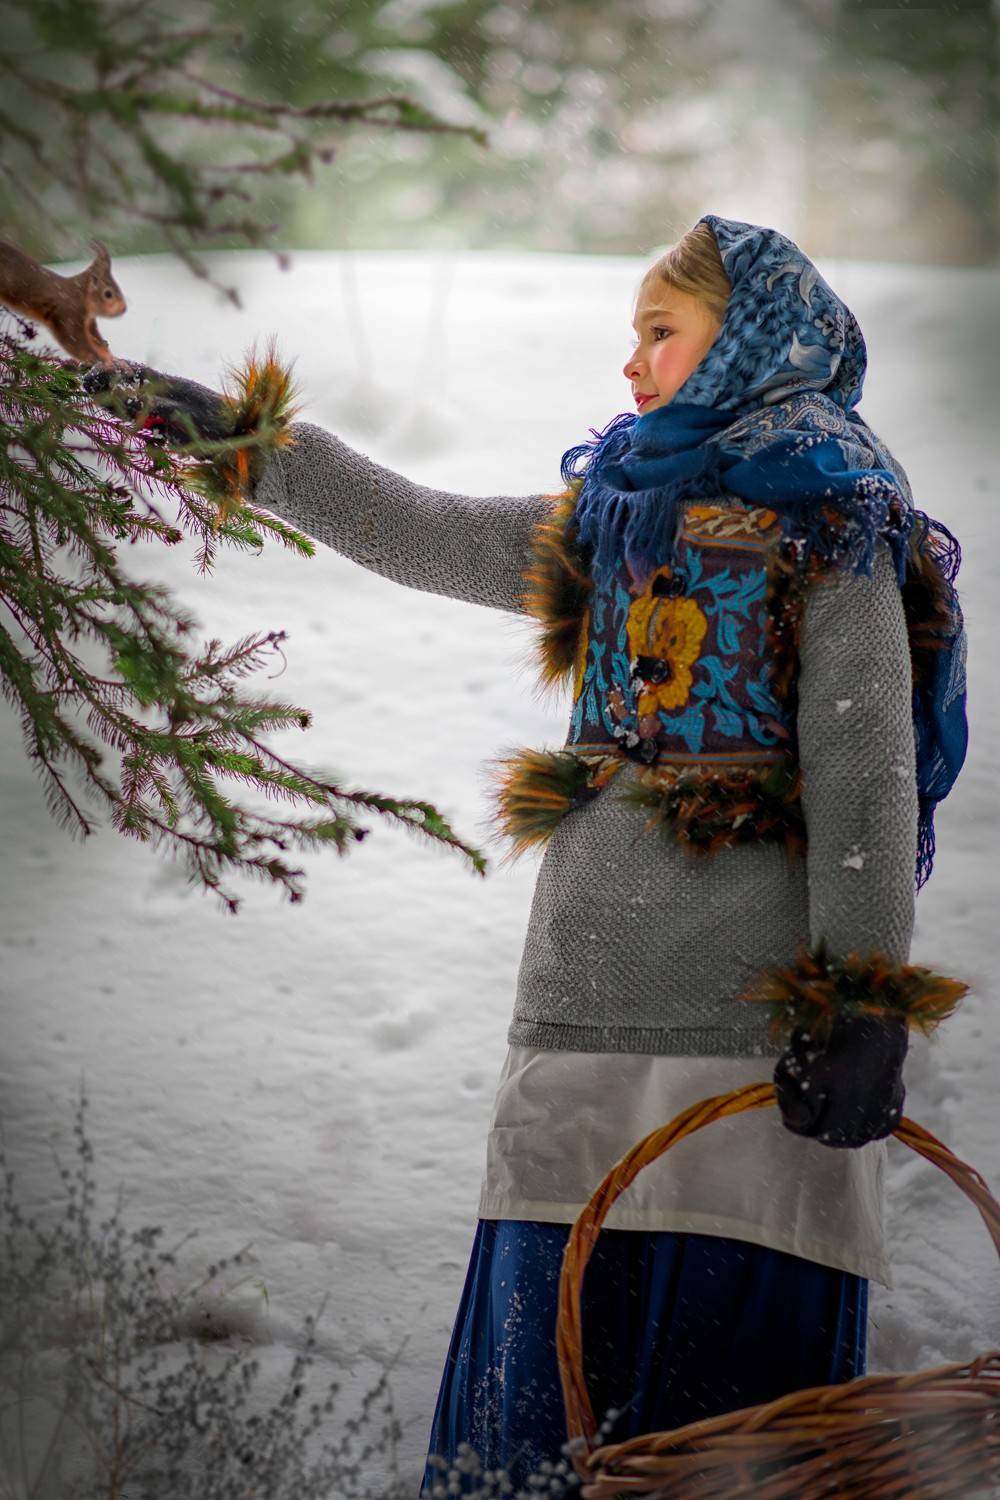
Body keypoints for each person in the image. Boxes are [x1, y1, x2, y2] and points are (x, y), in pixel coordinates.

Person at [83, 213, 970, 1498]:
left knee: (722, 1438)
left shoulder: (834, 524)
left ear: (750, 340)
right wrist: (235, 439)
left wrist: (862, 1001)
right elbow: (418, 524)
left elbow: (863, 773)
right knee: (542, 1407)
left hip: (749, 1041)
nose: (631, 365)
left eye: (659, 333)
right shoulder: (616, 514)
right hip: (575, 1010)